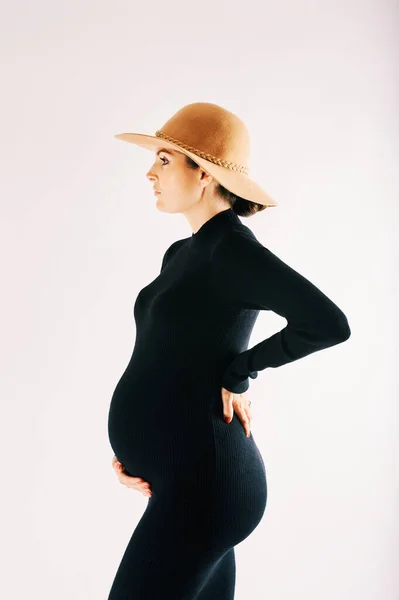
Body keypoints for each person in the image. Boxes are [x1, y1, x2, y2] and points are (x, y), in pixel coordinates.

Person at [106, 102, 351, 599]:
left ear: (205, 176)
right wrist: (135, 453)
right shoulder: (183, 253)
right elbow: (167, 358)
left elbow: (328, 323)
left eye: (165, 160)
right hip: (184, 484)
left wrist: (240, 372)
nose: (149, 172)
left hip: (207, 486)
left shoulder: (232, 252)